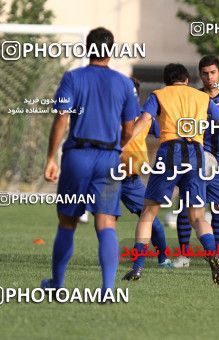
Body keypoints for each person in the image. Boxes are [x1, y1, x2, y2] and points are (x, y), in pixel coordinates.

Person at [122, 63, 219, 284]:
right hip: (196, 155)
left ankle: (137, 267)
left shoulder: (159, 95)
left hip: (170, 153)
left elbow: (144, 121)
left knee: (148, 213)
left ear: (167, 81)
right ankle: (213, 256)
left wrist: (123, 144)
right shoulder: (201, 97)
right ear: (187, 80)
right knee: (198, 216)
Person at [41, 27, 137, 297]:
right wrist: (118, 150)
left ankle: (57, 285)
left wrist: (51, 157)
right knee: (106, 223)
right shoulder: (124, 83)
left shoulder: (72, 78)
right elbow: (129, 129)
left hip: (77, 157)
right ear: (111, 50)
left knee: (67, 221)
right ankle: (108, 289)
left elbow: (62, 118)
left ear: (87, 48)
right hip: (109, 158)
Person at [174, 56, 219, 270]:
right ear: (200, 75)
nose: (209, 77)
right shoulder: (193, 97)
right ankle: (183, 255)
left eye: (213, 72)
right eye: (205, 73)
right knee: (187, 209)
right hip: (195, 163)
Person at [119, 77, 173, 269]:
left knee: (152, 220)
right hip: (106, 178)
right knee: (104, 221)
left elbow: (165, 133)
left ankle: (163, 258)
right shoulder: (108, 115)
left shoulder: (145, 117)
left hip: (130, 181)